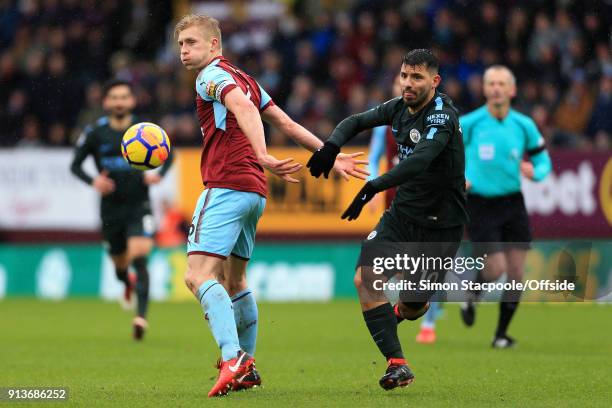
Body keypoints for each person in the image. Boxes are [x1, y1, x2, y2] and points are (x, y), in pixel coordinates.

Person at [174, 14, 368, 397]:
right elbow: (288, 124)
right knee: (235, 280)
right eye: (181, 44)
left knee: (197, 276)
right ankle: (247, 363)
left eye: (192, 43)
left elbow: (244, 112)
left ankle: (233, 358)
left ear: (214, 46)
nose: (184, 51)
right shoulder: (247, 78)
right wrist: (331, 155)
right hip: (253, 193)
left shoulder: (211, 76)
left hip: (227, 183)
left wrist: (262, 154)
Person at [307, 49, 467, 390]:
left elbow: (420, 160)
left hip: (442, 225)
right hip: (402, 216)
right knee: (365, 280)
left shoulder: (442, 117)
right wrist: (330, 147)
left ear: (435, 82)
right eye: (405, 76)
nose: (408, 84)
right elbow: (354, 121)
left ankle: (394, 317)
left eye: (417, 78)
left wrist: (374, 186)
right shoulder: (397, 107)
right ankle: (398, 364)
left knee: (412, 306)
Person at [70, 79, 173, 341]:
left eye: (124, 97)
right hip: (111, 208)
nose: (119, 102)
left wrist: (158, 174)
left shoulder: (145, 130)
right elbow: (76, 166)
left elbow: (169, 153)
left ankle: (141, 318)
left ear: (131, 101)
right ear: (106, 102)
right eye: (114, 97)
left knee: (140, 256)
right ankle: (125, 283)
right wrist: (94, 181)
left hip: (139, 204)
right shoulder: (96, 133)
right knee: (120, 265)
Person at [459, 65, 552, 348]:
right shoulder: (470, 122)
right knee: (494, 268)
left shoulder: (523, 125)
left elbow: (543, 160)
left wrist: (535, 173)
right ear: (484, 89)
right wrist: (458, 176)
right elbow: (445, 153)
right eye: (491, 83)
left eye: (501, 83)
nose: (496, 88)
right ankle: (472, 297)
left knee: (516, 272)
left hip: (513, 203)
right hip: (480, 204)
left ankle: (500, 335)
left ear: (511, 90)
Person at [367, 76, 443, 345]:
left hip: (428, 203)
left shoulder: (436, 121)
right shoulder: (385, 124)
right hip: (395, 201)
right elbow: (374, 157)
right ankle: (415, 307)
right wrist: (373, 187)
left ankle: (429, 322)